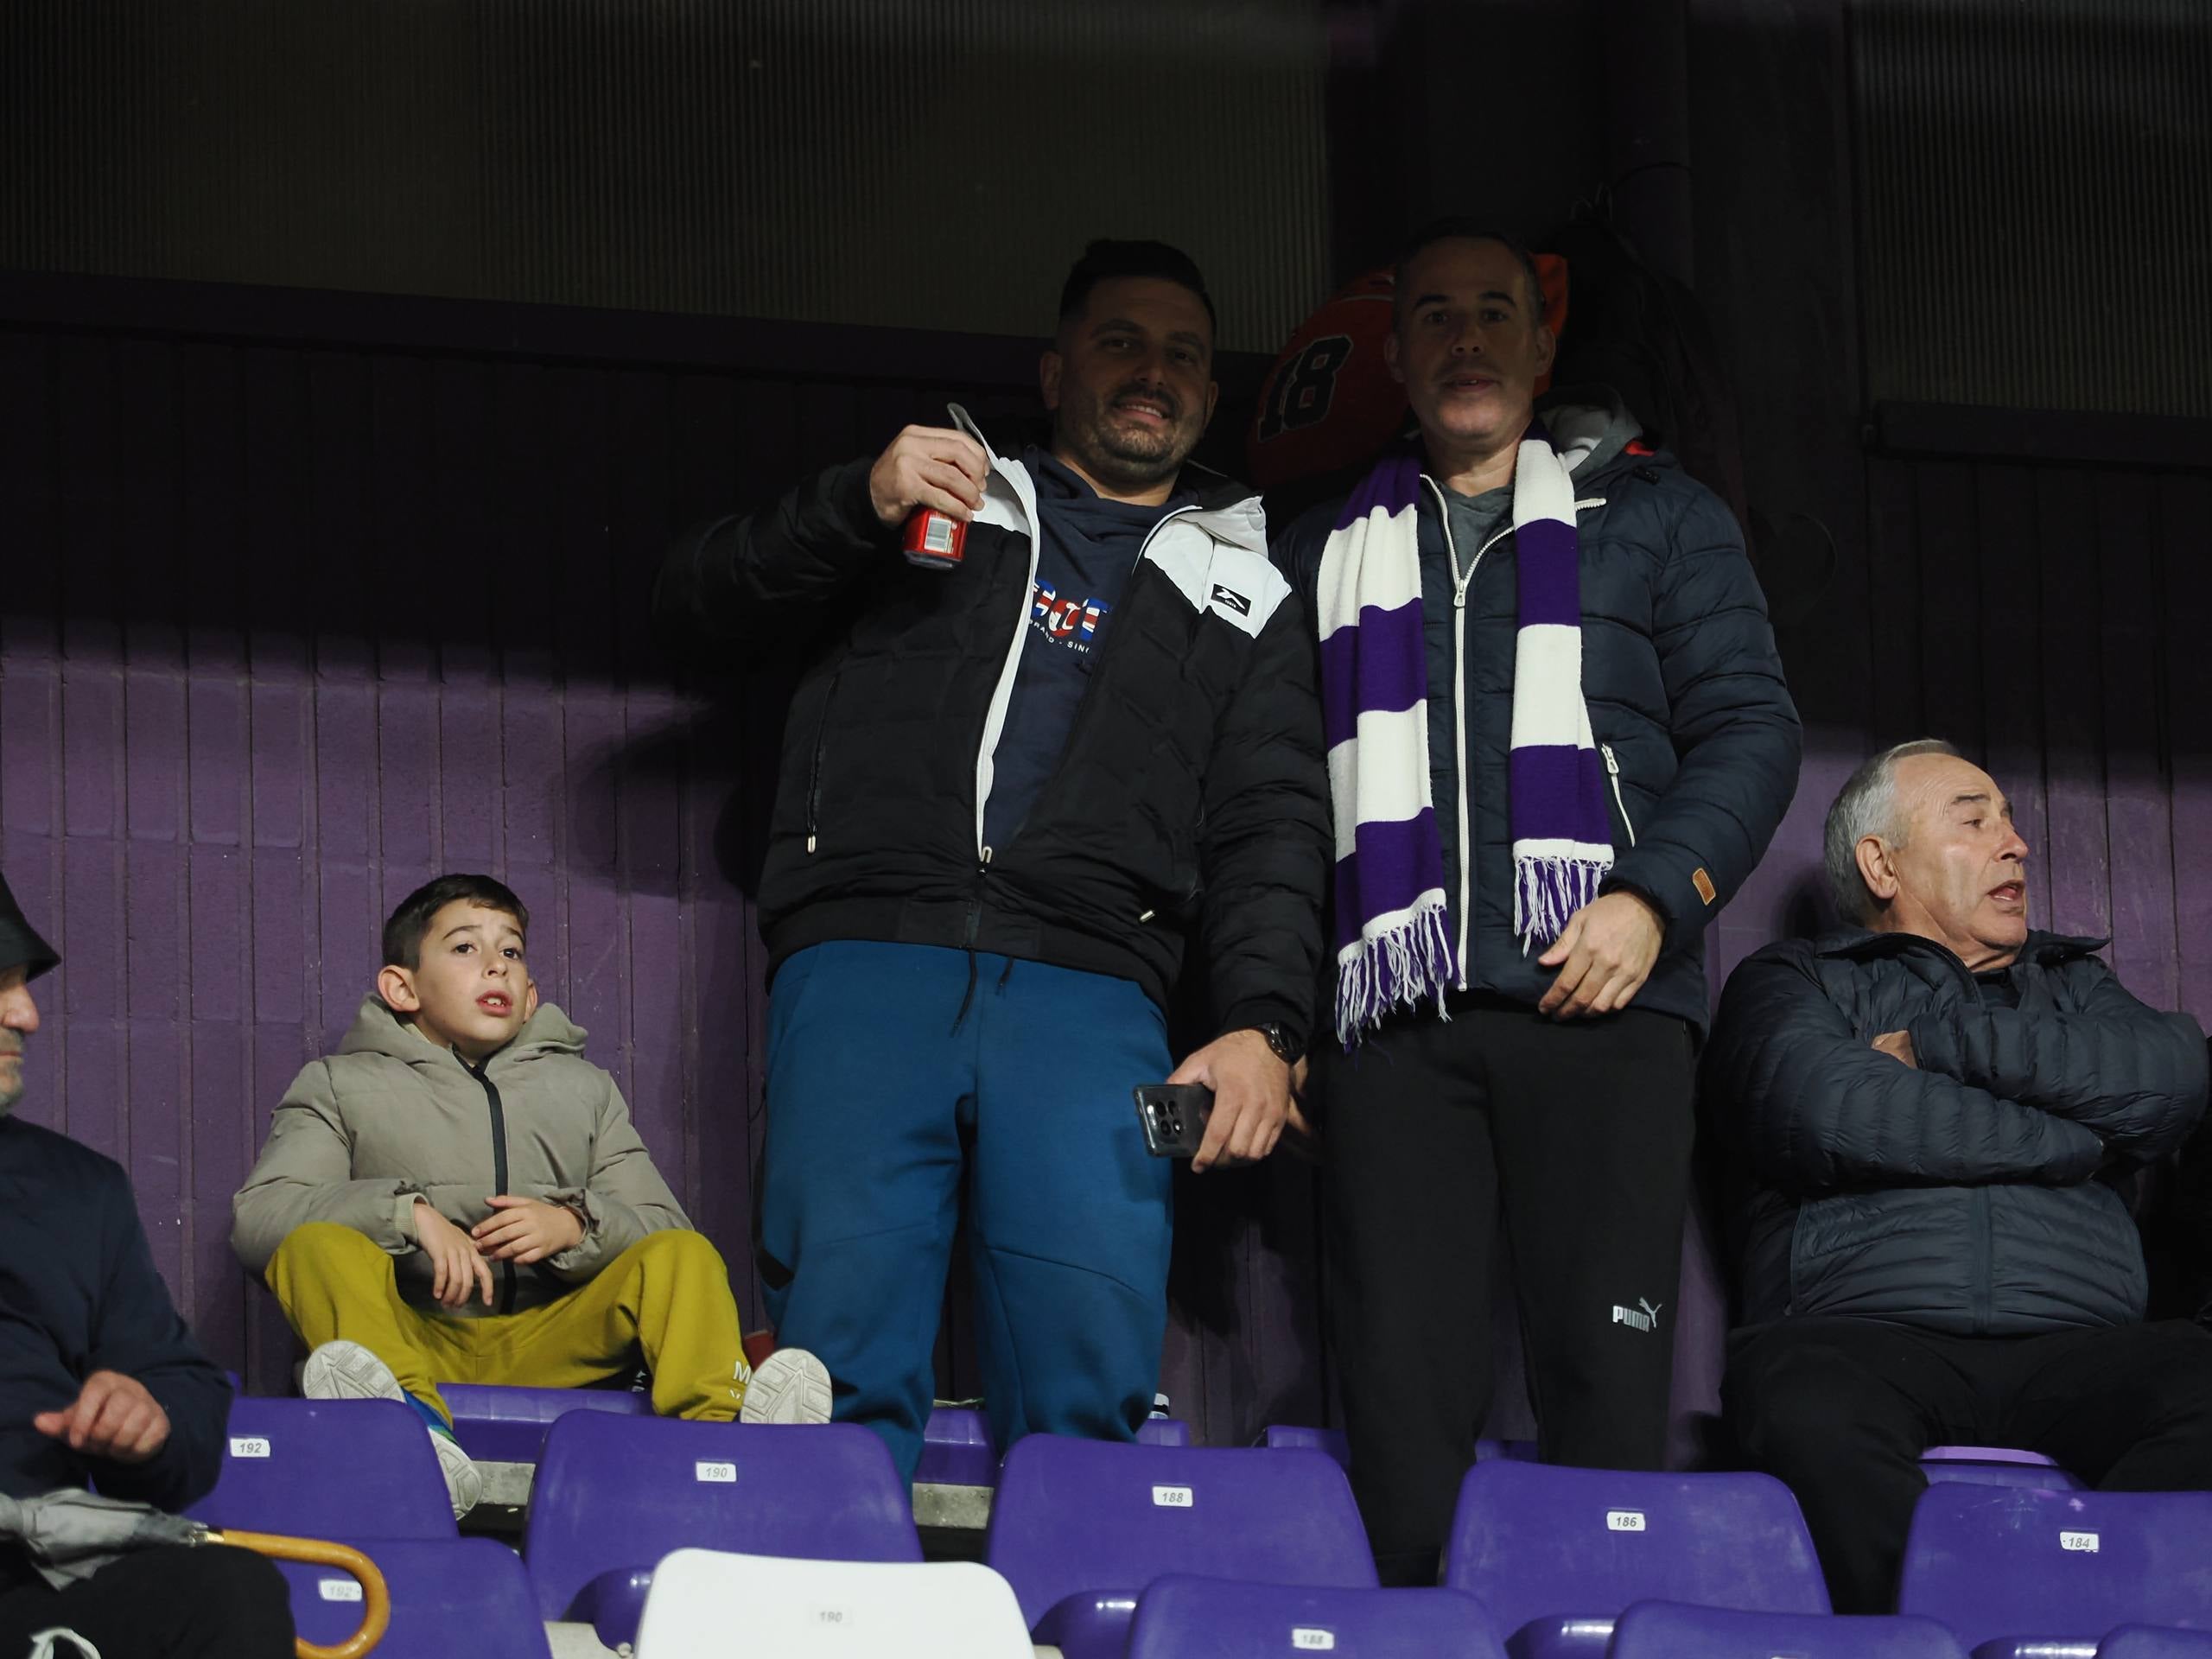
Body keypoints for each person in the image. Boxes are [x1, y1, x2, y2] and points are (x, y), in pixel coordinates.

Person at [653, 238, 1331, 1483]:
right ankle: (826, 1589)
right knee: (832, 1371)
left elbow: (1272, 828)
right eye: (1120, 342)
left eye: (1183, 354)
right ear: (1056, 369)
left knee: (1088, 1383)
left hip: (1095, 992)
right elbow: (698, 600)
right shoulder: (933, 494)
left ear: (1208, 391)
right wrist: (854, 500)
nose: (1153, 372)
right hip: (869, 959)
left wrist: (1268, 1027)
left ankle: (1075, 1589)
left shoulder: (1253, 588)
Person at [1270, 219, 1802, 1583]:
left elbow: (1752, 730)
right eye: (1436, 316)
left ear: (1542, 344)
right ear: (1396, 354)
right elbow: (1275, 813)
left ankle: (1601, 1628)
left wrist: (1653, 901)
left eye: (1495, 313)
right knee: (1401, 1416)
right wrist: (1278, 1019)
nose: (1468, 340)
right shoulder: (1323, 550)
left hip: (1605, 1004)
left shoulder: (1662, 516)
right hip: (1397, 1027)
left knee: (1605, 1395)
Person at [1706, 740, 2212, 1612]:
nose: (2014, 844)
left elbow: (2169, 1074)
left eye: (2008, 823)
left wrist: (1937, 1043)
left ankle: (2073, 1614)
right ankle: (1945, 1624)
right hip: (1863, 1333)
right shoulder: (1799, 981)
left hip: (2080, 1340)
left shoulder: (2074, 986)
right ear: (1881, 864)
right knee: (1797, 1400)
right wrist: (2079, 1140)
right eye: (1974, 822)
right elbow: (1827, 1107)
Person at [231, 874, 829, 1519]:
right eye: (465, 948)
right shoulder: (336, 1083)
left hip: (556, 1346)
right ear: (402, 988)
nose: (496, 965)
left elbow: (661, 1225)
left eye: (511, 951)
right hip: (410, 1341)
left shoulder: (585, 1091)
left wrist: (576, 1226)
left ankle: (726, 1444)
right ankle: (409, 1437)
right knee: (317, 1245)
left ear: (530, 996)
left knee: (684, 1255)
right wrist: (407, 1215)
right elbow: (261, 1217)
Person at [0, 871, 295, 1659]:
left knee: (230, 1592)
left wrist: (151, 1421)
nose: (25, 1015)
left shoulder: (78, 1190)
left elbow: (180, 1390)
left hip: (28, 1570)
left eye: (21, 986)